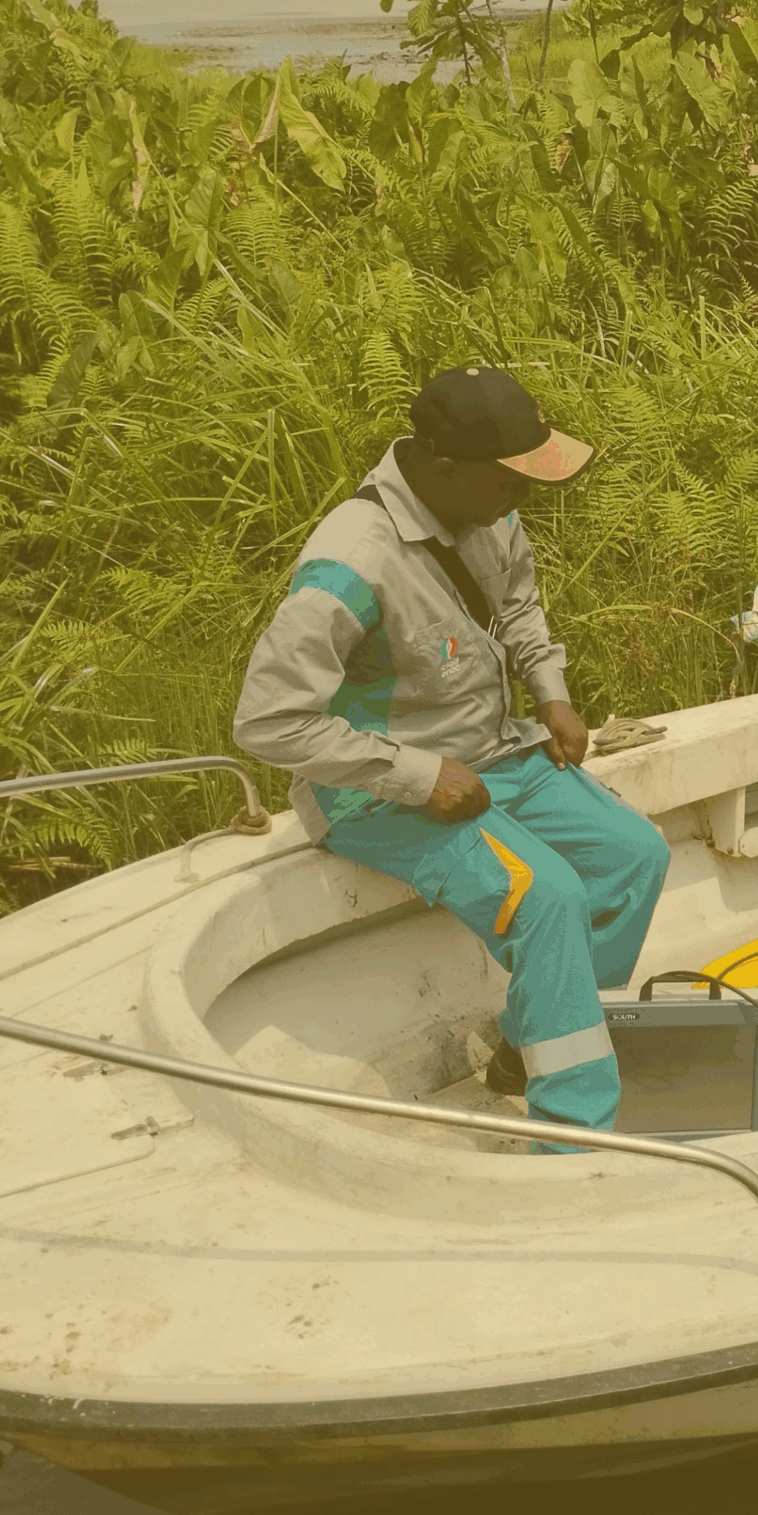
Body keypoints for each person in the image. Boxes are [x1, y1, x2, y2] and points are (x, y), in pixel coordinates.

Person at [233, 365, 669, 1145]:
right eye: (511, 482)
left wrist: (550, 690)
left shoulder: (487, 506)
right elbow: (268, 723)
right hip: (373, 791)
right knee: (547, 898)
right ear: (441, 470)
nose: (522, 500)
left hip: (493, 752)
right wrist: (419, 775)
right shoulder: (349, 565)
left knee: (635, 856)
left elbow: (519, 603)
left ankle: (521, 1050)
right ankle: (573, 1138)